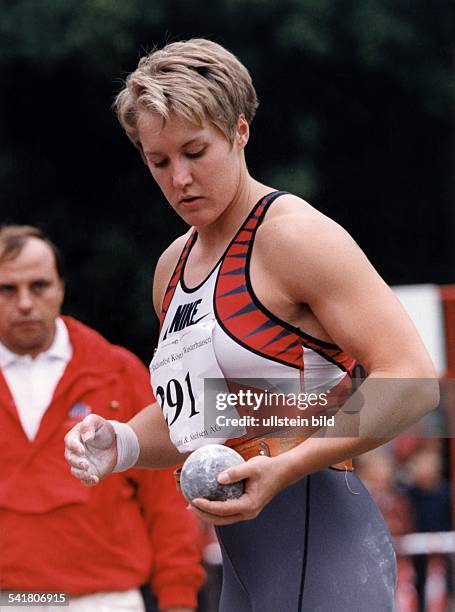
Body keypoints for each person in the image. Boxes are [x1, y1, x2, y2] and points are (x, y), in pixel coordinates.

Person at [65, 39, 439, 611]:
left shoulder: (293, 236)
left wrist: (286, 466)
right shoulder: (172, 267)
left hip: (324, 537)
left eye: (196, 151)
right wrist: (123, 441)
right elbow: (202, 418)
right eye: (158, 161)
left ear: (240, 131)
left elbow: (413, 380)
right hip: (246, 562)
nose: (179, 178)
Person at [0, 225, 204, 612]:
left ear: (60, 288)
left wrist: (178, 598)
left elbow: (164, 496)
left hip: (104, 599)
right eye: (7, 289)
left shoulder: (117, 371)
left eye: (39, 286)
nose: (25, 303)